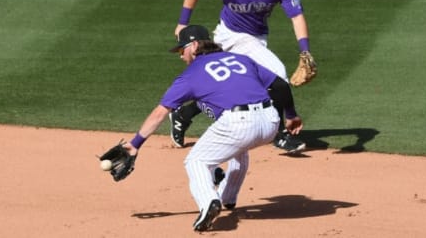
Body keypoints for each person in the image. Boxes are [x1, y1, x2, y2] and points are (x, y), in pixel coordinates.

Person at [122, 25, 303, 231]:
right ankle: (228, 196)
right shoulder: (240, 58)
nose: (181, 56)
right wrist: (290, 115)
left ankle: (208, 201)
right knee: (239, 148)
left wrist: (135, 144)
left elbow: (159, 113)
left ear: (195, 45)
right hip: (270, 122)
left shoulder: (190, 75)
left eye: (182, 49)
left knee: (196, 161)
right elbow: (279, 86)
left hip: (240, 123)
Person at [169, 0, 316, 153]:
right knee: (277, 76)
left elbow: (296, 17)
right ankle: (280, 134)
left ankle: (183, 114)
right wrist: (183, 22)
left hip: (256, 38)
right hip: (230, 35)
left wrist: (305, 49)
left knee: (234, 87)